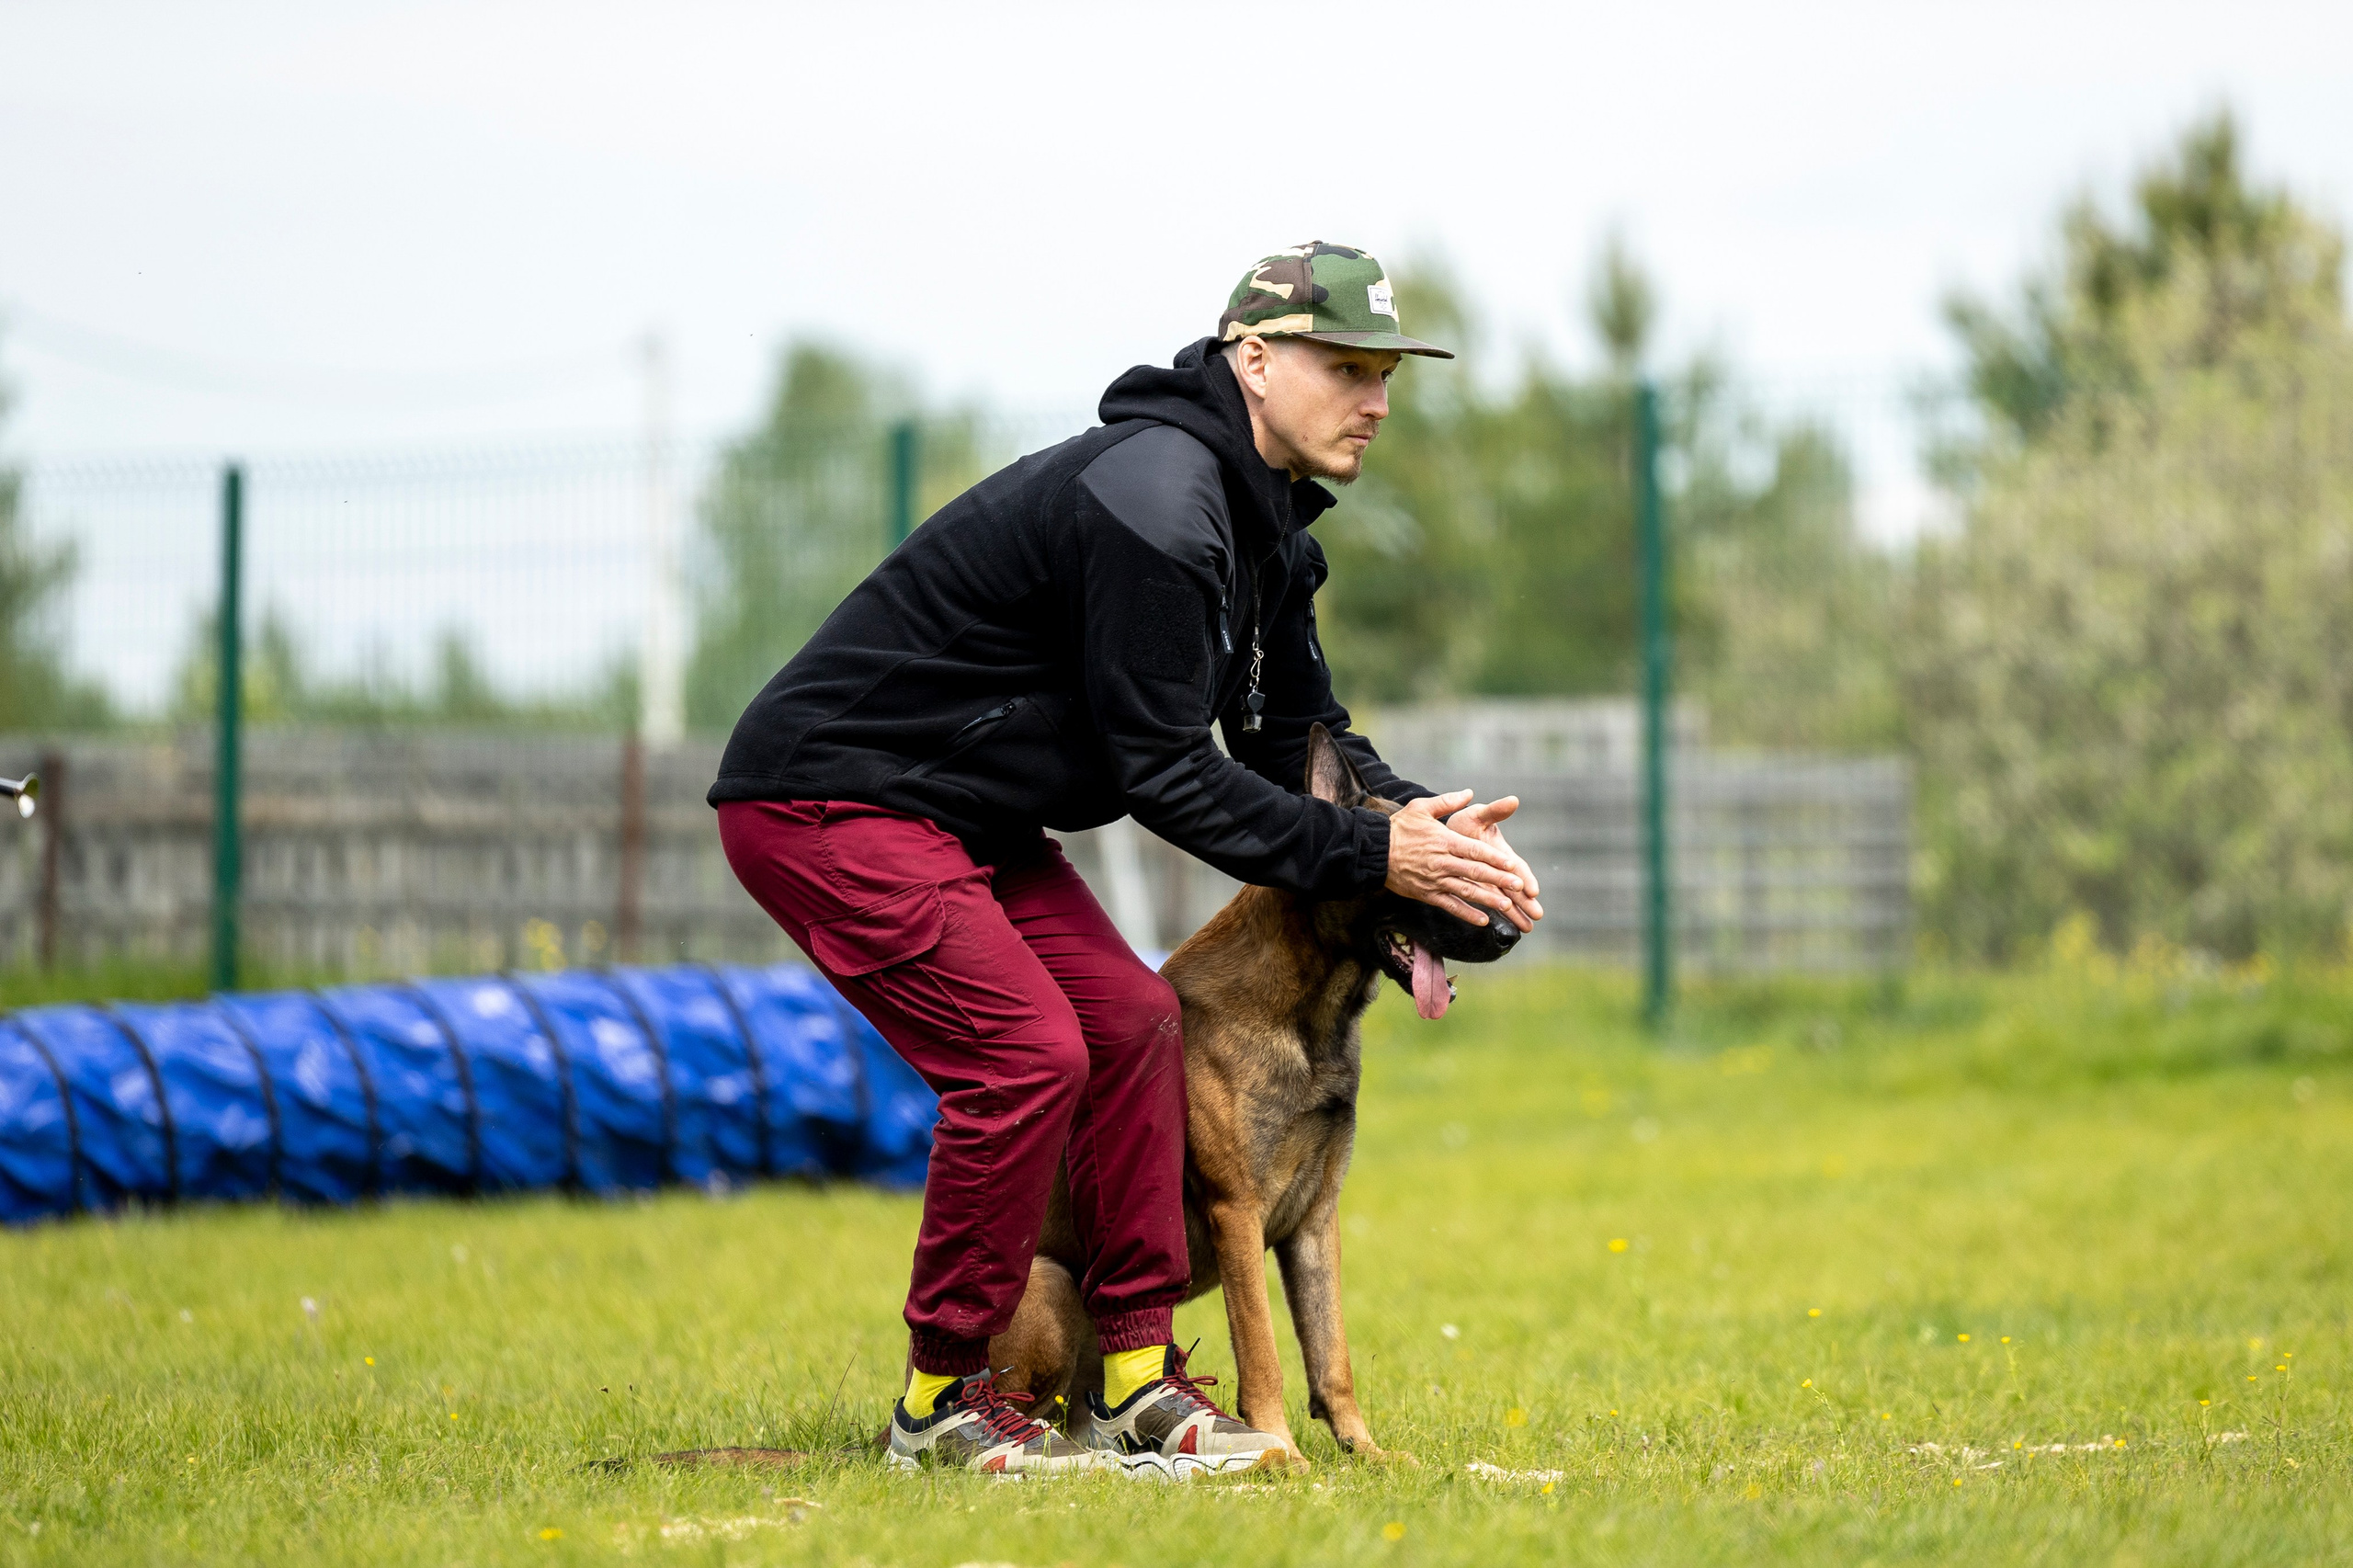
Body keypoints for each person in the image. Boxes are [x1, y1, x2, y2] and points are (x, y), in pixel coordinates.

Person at [710, 242, 1542, 1476]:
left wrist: (1436, 840)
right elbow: (1167, 777)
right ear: (1253, 361)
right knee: (1027, 1053)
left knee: (1135, 1020)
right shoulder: (1160, 499)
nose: (1376, 399)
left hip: (966, 817)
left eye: (1388, 375)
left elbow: (1292, 743)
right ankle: (940, 1401)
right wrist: (1377, 849)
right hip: (833, 794)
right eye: (1347, 366)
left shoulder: (1270, 539)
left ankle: (1136, 1384)